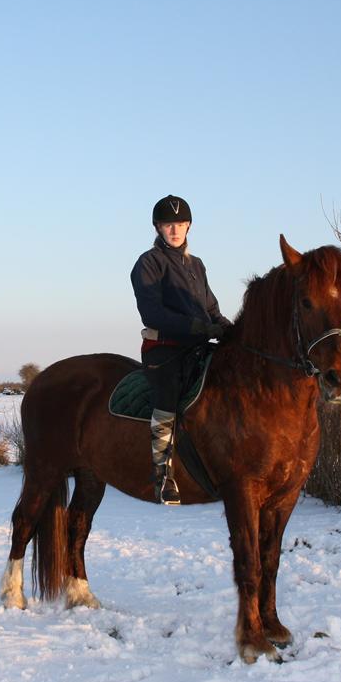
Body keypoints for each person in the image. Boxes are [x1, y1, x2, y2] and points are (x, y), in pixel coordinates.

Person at [130, 194, 231, 505]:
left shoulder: (196, 265)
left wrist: (230, 330)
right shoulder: (149, 263)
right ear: (158, 227)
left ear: (189, 227)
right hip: (164, 349)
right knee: (169, 392)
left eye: (181, 224)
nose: (175, 230)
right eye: (168, 225)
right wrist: (196, 327)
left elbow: (212, 308)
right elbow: (153, 313)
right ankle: (162, 474)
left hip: (199, 347)